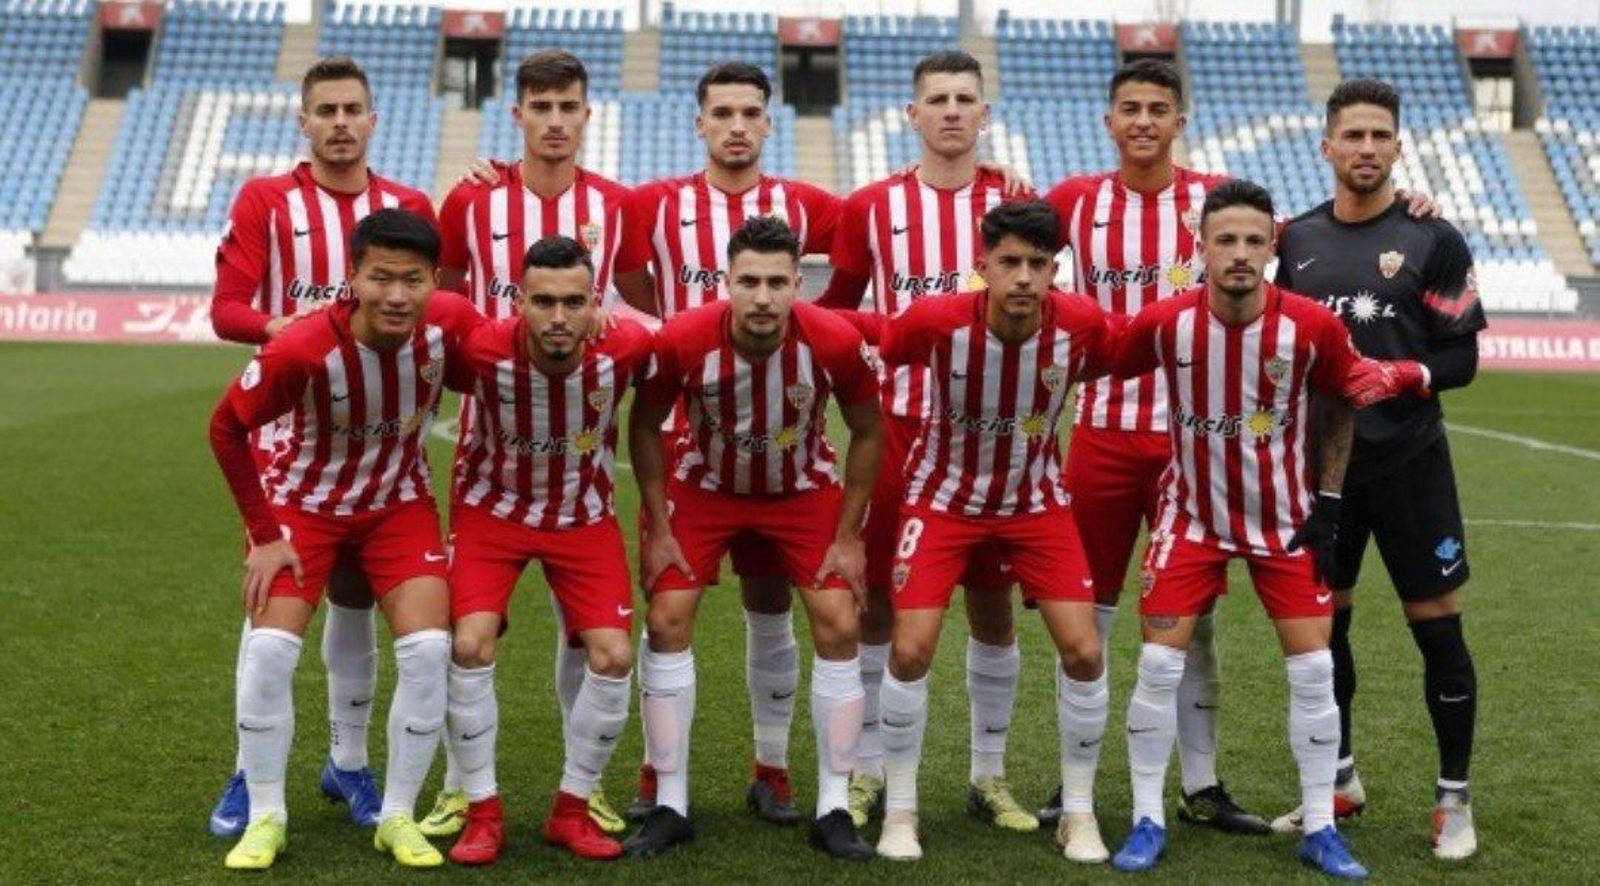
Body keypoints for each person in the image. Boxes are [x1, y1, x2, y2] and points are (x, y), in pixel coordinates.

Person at [1037, 59, 1439, 835]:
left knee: (1196, 621)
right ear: (1109, 120)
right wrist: (991, 173)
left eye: (1160, 108)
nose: (1145, 121)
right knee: (1089, 617)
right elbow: (1007, 238)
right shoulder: (1074, 201)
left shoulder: (1223, 199)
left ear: (1179, 121)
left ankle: (1201, 784)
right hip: (1108, 433)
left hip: (1201, 443)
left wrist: (1409, 212)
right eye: (1131, 108)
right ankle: (1072, 782)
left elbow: (1332, 230)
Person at [1103, 179, 1423, 879]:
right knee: (1158, 665)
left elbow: (1341, 405)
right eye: (1227, 241)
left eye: (1254, 241)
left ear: (1272, 247)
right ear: (1202, 248)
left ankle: (1318, 828)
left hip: (1286, 523)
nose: (1241, 254)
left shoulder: (1309, 326)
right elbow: (1100, 360)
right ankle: (1147, 818)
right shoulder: (1166, 323)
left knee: (1313, 670)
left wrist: (1330, 504)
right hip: (1190, 519)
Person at [841, 201, 1116, 863]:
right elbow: (866, 329)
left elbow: (1146, 344)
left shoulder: (1080, 324)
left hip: (1035, 506)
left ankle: (1077, 815)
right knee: (909, 650)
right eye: (1009, 263)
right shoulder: (937, 322)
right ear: (981, 268)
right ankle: (900, 810)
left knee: (1083, 651)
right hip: (942, 503)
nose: (1023, 277)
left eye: (1037, 265)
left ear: (1055, 270)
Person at [207, 209, 482, 869]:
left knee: (428, 648)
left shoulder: (452, 322)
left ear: (432, 282)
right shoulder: (302, 347)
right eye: (380, 277)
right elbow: (225, 429)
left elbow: (512, 350)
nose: (396, 295)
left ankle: (396, 815)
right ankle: (267, 815)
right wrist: (264, 534)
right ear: (352, 276)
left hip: (398, 504)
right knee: (271, 651)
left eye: (412, 279)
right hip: (305, 507)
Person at [206, 56, 438, 838]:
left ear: (374, 121)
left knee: (355, 593)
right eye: (326, 111)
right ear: (303, 122)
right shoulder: (268, 200)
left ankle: (347, 761)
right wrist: (295, 335)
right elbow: (228, 309)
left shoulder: (407, 204)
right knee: (274, 592)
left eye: (353, 110)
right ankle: (250, 771)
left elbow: (438, 300)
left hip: (377, 437)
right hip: (288, 435)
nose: (340, 123)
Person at [423, 46, 646, 841]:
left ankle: (576, 793)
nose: (555, 122)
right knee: (471, 635)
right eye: (540, 108)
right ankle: (461, 788)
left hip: (581, 460)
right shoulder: (472, 202)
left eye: (568, 108)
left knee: (590, 639)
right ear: (517, 115)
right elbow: (442, 304)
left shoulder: (620, 207)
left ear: (588, 115)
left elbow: (644, 306)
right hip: (492, 447)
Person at [818, 49, 1037, 833]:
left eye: (965, 99)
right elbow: (837, 308)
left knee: (991, 600)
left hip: (990, 437)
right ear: (913, 115)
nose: (951, 110)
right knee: (876, 598)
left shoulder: (1016, 210)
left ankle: (989, 775)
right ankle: (870, 771)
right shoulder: (871, 207)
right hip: (900, 430)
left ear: (985, 116)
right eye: (937, 98)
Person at [1270, 78, 1486, 861]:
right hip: (1325, 470)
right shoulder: (1292, 241)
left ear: (1399, 145)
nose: (1365, 149)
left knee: (1437, 630)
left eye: (1379, 136)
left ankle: (1454, 800)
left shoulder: (1435, 238)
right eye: (1351, 136)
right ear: (1325, 147)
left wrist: (1405, 376)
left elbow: (1462, 356)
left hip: (1411, 464)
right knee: (1326, 635)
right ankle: (1340, 780)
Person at [622, 62, 844, 824]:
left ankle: (772, 769)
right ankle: (660, 776)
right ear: (700, 123)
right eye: (723, 113)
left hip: (784, 439)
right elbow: (626, 277)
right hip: (693, 441)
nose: (738, 126)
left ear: (769, 123)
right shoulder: (654, 204)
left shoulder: (811, 206)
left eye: (752, 112)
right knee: (665, 608)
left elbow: (846, 280)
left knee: (770, 601)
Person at [623, 216, 884, 860]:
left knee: (839, 621)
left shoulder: (832, 340)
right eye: (748, 282)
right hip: (705, 484)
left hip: (801, 487)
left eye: (776, 282)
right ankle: (671, 801)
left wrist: (849, 536)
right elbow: (646, 423)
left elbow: (869, 431)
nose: (763, 297)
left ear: (799, 283)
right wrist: (657, 525)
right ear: (725, 283)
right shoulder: (684, 339)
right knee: (666, 618)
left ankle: (832, 805)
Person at [439, 236, 655, 865]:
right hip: (492, 511)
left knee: (613, 656)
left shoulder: (630, 345)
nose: (558, 318)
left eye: (573, 302)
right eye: (543, 302)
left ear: (597, 304)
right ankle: (481, 812)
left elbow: (688, 351)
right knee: (469, 644)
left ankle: (572, 808)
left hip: (581, 517)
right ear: (518, 302)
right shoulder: (481, 349)